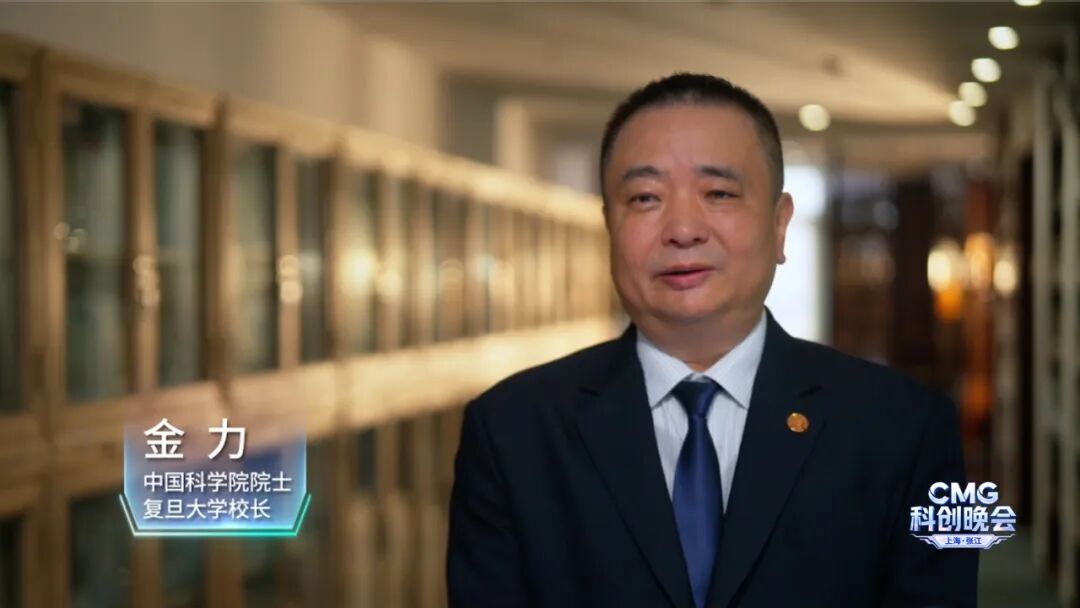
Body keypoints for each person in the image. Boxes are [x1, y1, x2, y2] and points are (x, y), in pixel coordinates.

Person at [447, 72, 978, 608]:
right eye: (645, 198)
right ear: (609, 225)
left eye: (719, 193)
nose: (683, 229)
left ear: (779, 225)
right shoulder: (511, 430)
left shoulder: (909, 427)